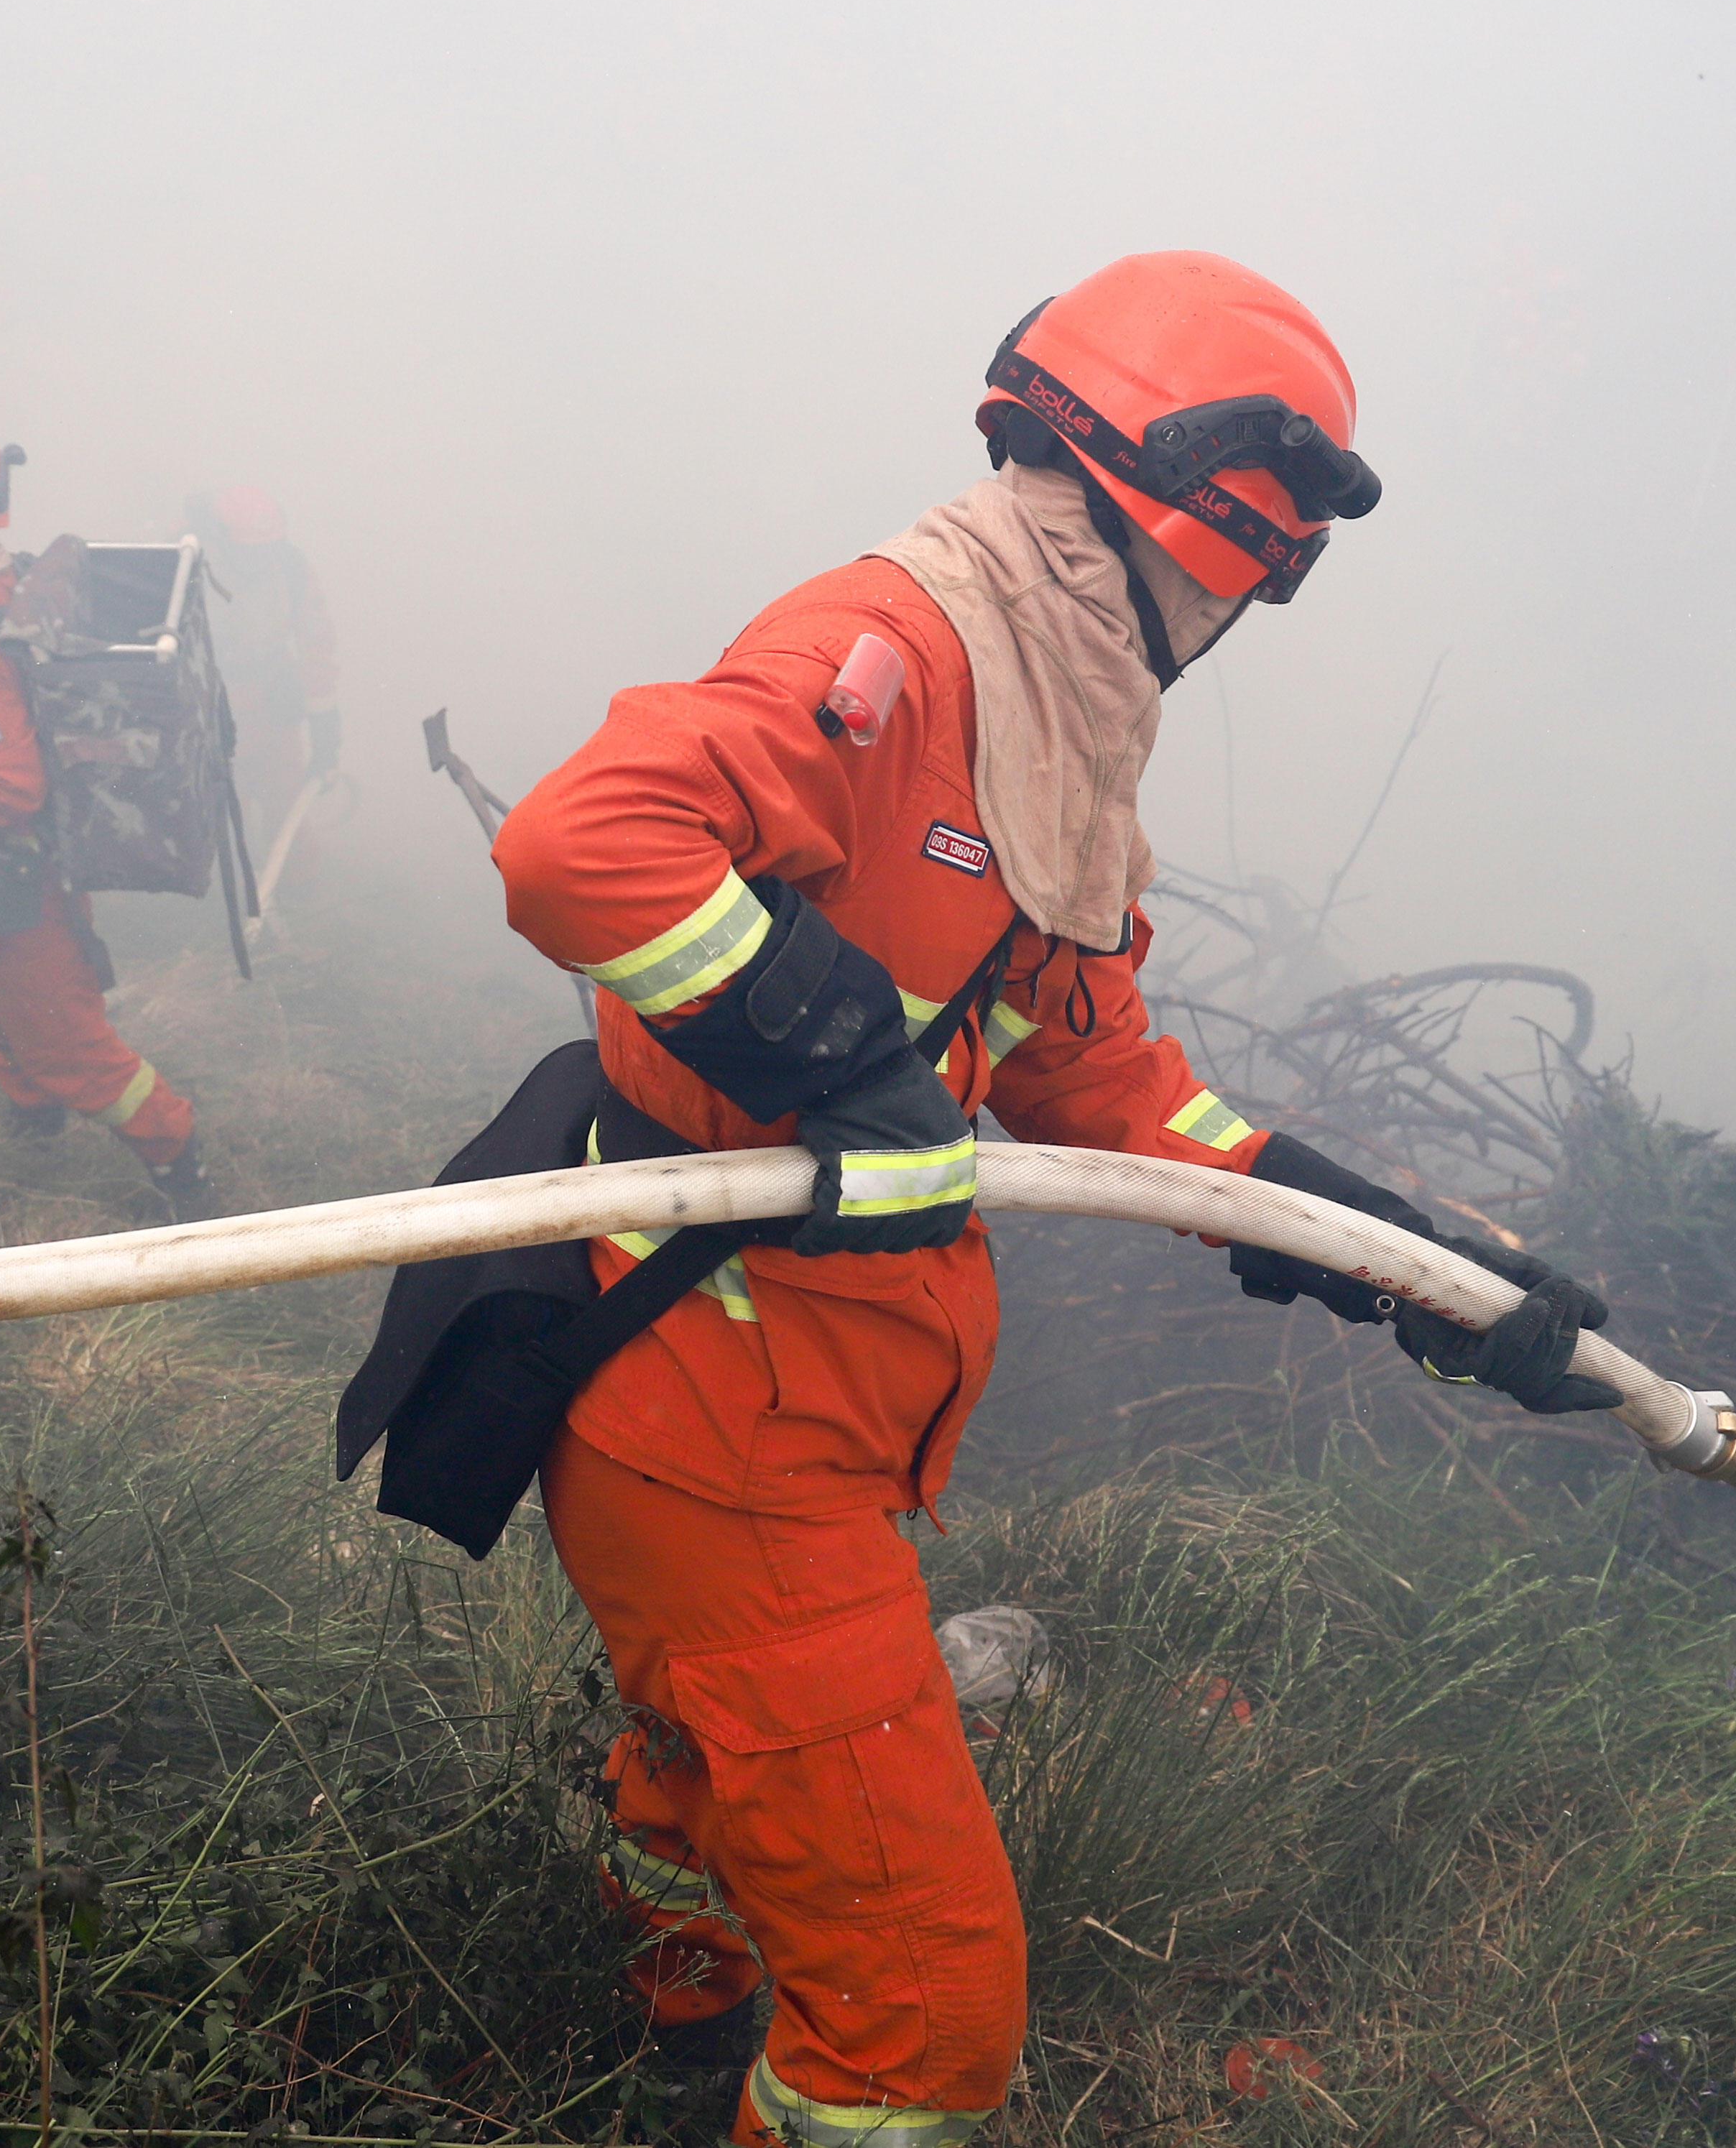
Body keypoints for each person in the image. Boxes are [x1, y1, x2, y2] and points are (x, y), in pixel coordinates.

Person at [481, 253, 1619, 2144]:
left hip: (796, 1407)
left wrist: (1406, 1265)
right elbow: (577, 843)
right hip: (715, 1415)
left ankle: (682, 2017)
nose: (1236, 618)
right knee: (923, 2035)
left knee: (706, 1771)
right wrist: (837, 1050)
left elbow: (1099, 1082)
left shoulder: (1055, 719)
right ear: (1192, 516)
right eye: (1247, 575)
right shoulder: (904, 645)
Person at [0, 413, 213, 1217]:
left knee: (66, 1041)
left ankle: (180, 1163)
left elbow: (9, 784)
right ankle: (32, 1126)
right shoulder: (0, 583)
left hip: (8, 868)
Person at [189, 484, 341, 832]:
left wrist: (326, 739)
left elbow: (317, 649)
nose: (258, 560)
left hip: (274, 702)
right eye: (248, 552)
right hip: (214, 708)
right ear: (223, 540)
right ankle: (232, 885)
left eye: (267, 549)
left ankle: (297, 881)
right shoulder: (194, 566)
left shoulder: (292, 571)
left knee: (287, 807)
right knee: (222, 816)